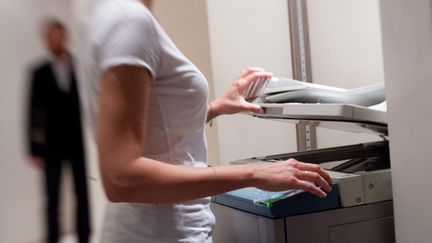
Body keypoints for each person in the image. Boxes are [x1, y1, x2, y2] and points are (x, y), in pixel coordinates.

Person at [77, 0, 332, 242]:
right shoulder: (130, 20)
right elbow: (121, 177)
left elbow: (148, 123)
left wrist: (215, 107)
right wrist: (257, 173)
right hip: (164, 233)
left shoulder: (105, 15)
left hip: (147, 227)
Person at [27, 19, 91, 243]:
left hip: (76, 141)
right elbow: (33, 113)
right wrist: (33, 148)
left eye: (57, 36)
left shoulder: (78, 67)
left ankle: (85, 235)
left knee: (81, 192)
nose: (54, 41)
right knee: (52, 196)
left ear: (65, 37)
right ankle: (52, 238)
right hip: (51, 144)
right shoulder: (39, 73)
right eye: (49, 37)